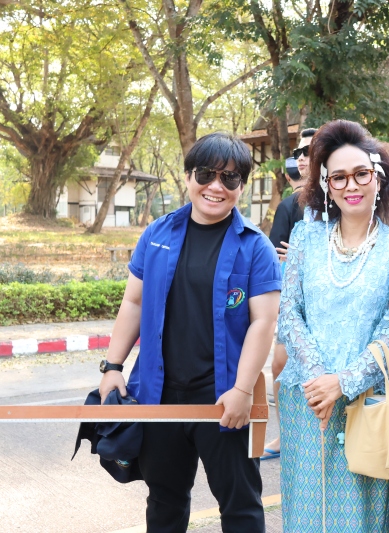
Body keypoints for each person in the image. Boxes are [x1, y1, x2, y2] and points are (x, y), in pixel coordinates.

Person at [97, 133, 281, 532]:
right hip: (159, 396)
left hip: (224, 398)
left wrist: (242, 391)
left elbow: (263, 323)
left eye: (230, 178)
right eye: (206, 174)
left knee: (241, 505)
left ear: (241, 187)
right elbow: (133, 303)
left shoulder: (255, 247)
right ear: (187, 177)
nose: (216, 186)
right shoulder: (157, 235)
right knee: (165, 502)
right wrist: (112, 367)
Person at [277, 119, 389, 533]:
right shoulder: (304, 236)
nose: (351, 185)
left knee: (358, 519)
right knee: (304, 513)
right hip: (305, 396)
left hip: (364, 400)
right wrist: (319, 379)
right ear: (326, 184)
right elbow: (289, 313)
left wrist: (343, 382)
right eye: (339, 177)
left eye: (361, 174)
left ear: (378, 178)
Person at [262, 127, 317, 460]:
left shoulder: (345, 201)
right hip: (295, 299)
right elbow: (276, 255)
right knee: (281, 363)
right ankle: (286, 435)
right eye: (299, 153)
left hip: (336, 301)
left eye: (309, 151)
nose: (301, 158)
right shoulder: (290, 205)